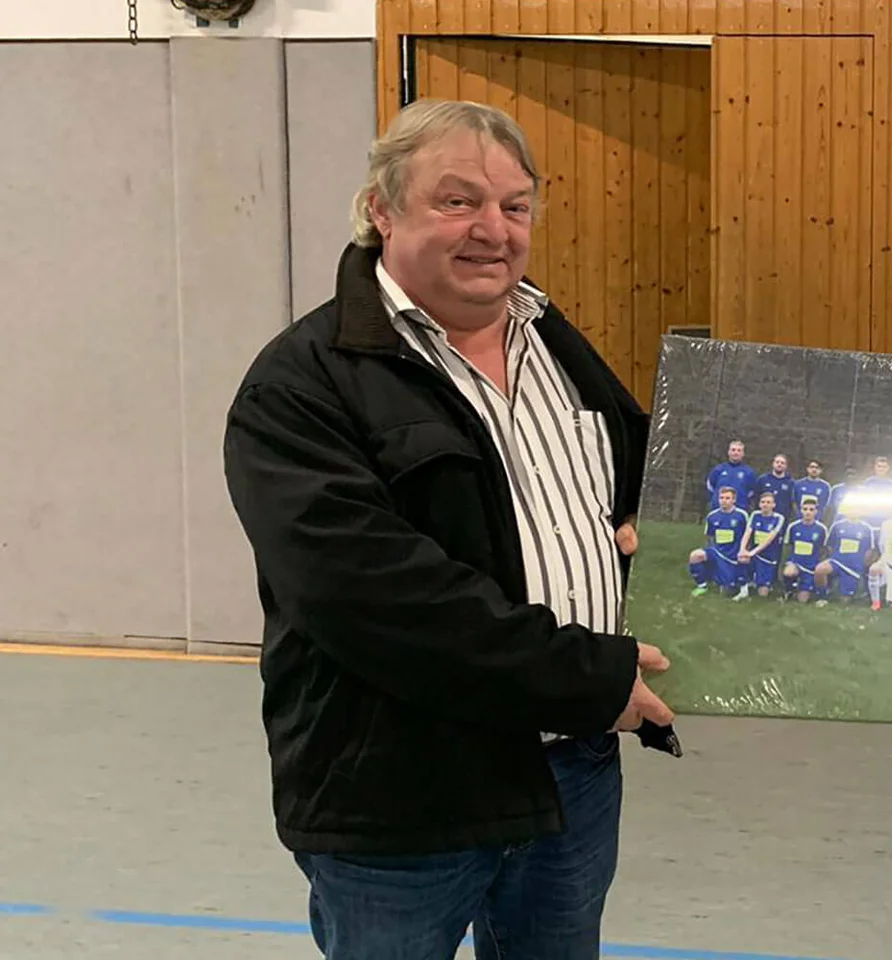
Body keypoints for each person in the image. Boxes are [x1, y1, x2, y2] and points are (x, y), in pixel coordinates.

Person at [221, 98, 676, 960]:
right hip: (400, 790)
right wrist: (584, 679)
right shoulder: (301, 386)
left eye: (515, 205)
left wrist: (645, 522)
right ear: (382, 210)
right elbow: (376, 599)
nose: (493, 230)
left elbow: (634, 474)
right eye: (457, 201)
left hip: (569, 772)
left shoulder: (553, 342)